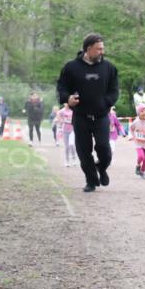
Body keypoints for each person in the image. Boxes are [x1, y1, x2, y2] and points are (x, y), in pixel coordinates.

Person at [56, 33, 120, 192]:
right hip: (80, 116)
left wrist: (106, 102)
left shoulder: (109, 68)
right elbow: (62, 87)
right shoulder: (71, 67)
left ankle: (101, 167)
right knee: (84, 152)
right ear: (88, 49)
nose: (102, 52)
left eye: (102, 49)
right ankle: (91, 181)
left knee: (104, 148)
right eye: (98, 49)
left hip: (101, 116)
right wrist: (67, 98)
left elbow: (114, 91)